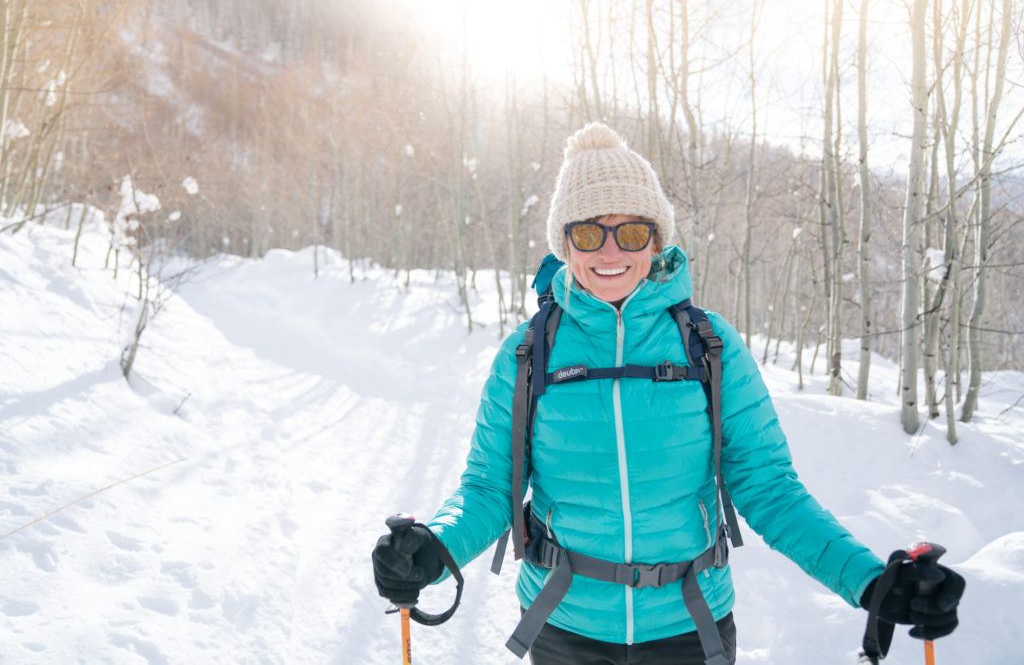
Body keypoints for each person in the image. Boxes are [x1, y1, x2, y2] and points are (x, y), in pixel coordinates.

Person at [371, 122, 964, 664]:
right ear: (564, 244)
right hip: (564, 628)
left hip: (689, 626)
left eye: (630, 230)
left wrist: (869, 581)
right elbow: (489, 489)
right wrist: (435, 545)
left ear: (656, 242)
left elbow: (770, 489)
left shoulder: (709, 346)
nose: (610, 250)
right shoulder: (528, 354)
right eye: (587, 231)